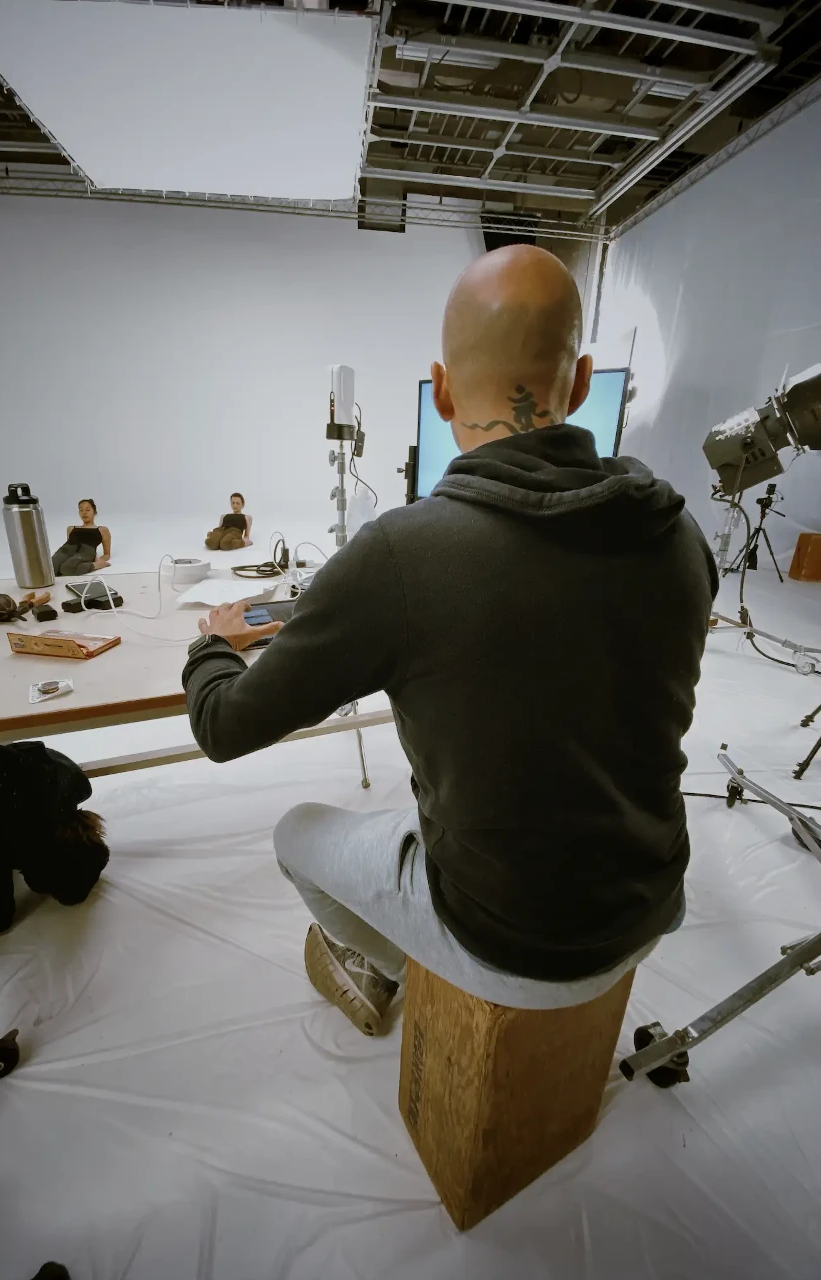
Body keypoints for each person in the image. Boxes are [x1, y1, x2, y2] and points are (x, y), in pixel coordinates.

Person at [182, 245, 718, 1037]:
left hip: (510, 940)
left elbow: (222, 726)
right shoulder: (678, 532)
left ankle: (392, 964)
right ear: (580, 383)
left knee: (296, 832)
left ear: (438, 393)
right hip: (652, 905)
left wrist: (212, 647)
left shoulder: (403, 554)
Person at [52, 499, 111, 577]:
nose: (84, 513)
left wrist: (98, 560)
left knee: (67, 568)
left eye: (88, 510)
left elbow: (107, 554)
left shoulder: (102, 529)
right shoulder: (71, 528)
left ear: (94, 511)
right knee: (51, 568)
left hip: (87, 551)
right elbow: (69, 549)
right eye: (81, 510)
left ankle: (96, 565)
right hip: (67, 549)